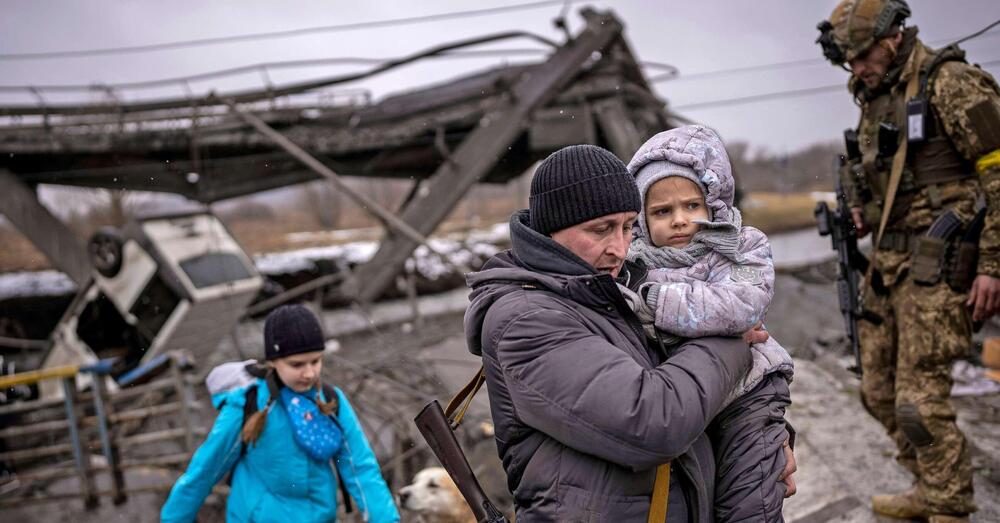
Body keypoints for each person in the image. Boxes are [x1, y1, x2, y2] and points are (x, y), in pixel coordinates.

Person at [463, 144, 794, 521]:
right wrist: (732, 339)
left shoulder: (611, 290)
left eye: (627, 227)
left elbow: (696, 395)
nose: (619, 249)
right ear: (549, 229)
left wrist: (762, 447)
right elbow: (656, 421)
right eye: (601, 230)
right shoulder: (525, 319)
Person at [816, 0, 1000, 520]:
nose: (856, 69)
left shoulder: (952, 83)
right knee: (875, 390)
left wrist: (992, 265)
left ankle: (949, 503)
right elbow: (891, 184)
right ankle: (930, 483)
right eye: (847, 61)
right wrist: (861, 214)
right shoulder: (876, 97)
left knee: (918, 400)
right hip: (890, 266)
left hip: (941, 267)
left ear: (894, 37)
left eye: (863, 56)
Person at [620, 125, 794, 522]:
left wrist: (655, 303)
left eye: (691, 206)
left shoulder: (742, 246)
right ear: (643, 220)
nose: (680, 220)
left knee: (750, 502)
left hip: (749, 393)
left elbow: (741, 306)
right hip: (689, 398)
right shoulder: (635, 262)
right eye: (662, 212)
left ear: (712, 203)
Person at [161, 304, 399, 523]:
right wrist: (174, 518)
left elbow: (360, 467)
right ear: (273, 361)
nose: (309, 373)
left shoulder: (331, 401)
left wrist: (386, 520)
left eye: (315, 361)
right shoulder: (248, 404)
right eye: (297, 364)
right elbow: (206, 468)